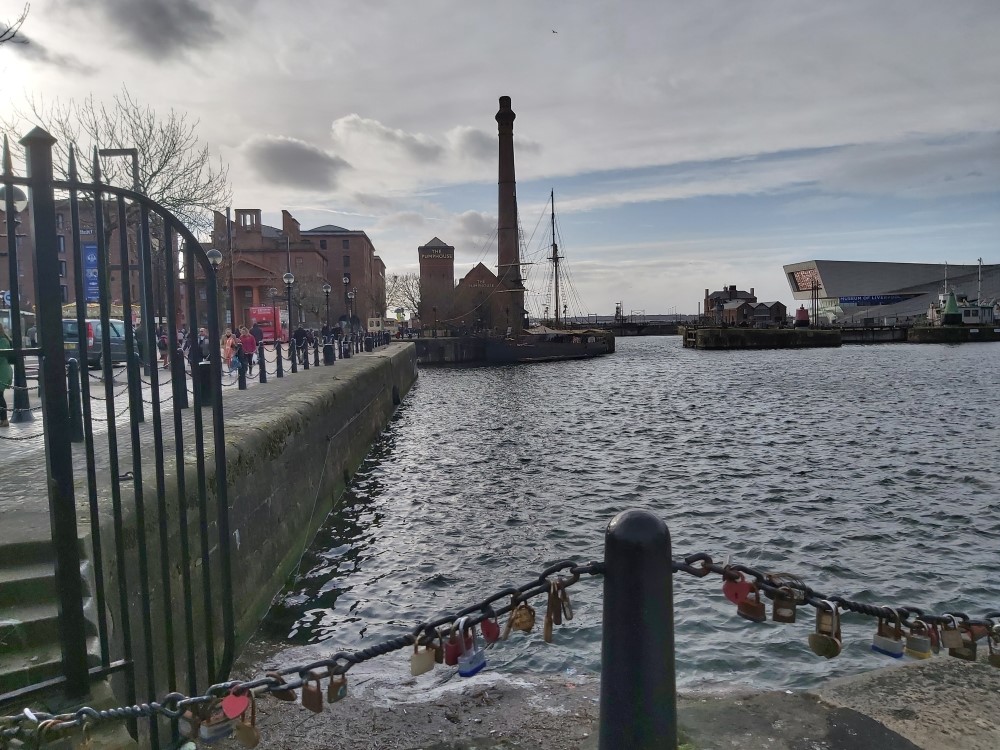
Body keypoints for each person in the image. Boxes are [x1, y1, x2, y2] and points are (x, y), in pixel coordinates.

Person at [0, 322, 13, 427]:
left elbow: (2, 357)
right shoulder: (4, 339)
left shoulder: (3, 341)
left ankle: (4, 420)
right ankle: (3, 419)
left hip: (2, 371)